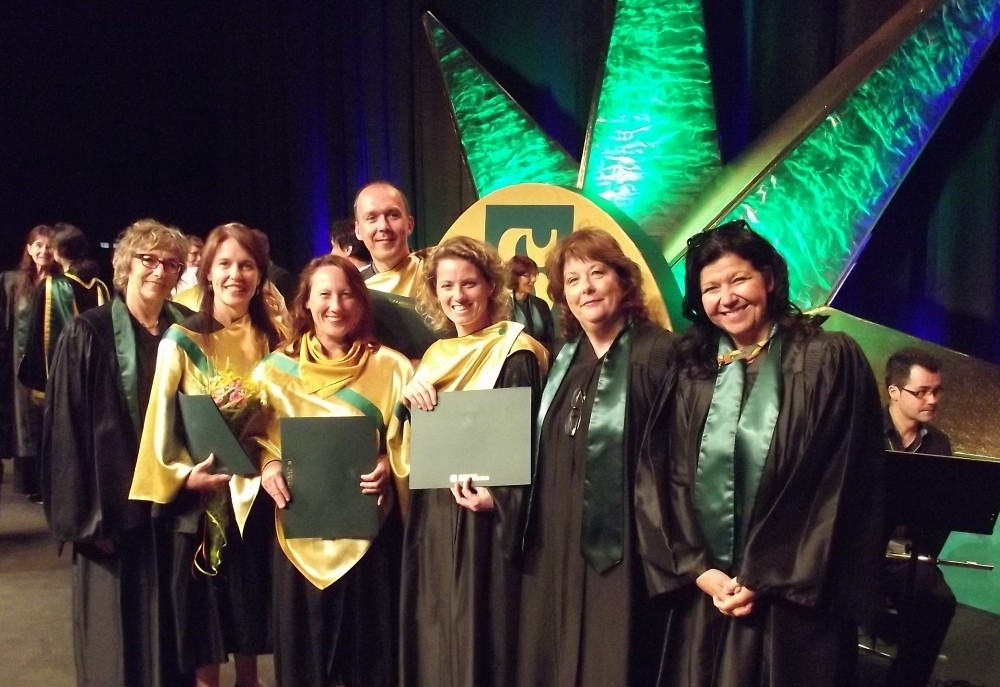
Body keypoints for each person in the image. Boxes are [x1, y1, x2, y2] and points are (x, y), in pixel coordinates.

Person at [643, 220, 884, 686]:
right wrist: (696, 567)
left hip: (793, 600)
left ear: (769, 279)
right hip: (707, 596)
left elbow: (840, 481)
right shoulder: (692, 370)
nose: (726, 298)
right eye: (710, 287)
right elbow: (664, 475)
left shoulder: (827, 358)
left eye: (738, 279)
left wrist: (765, 572)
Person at [516, 227, 674, 686]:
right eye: (572, 280)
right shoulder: (565, 358)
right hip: (558, 540)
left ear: (623, 281)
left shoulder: (660, 353)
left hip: (626, 543)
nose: (585, 288)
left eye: (597, 273)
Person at [129, 222, 283, 687]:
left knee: (251, 619)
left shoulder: (274, 338)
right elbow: (159, 421)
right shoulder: (181, 340)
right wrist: (181, 477)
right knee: (205, 625)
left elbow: (284, 414)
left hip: (257, 498)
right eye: (226, 265)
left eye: (247, 265)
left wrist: (273, 457)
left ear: (260, 275)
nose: (236, 274)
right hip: (200, 503)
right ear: (206, 272)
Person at [40, 219, 192, 686]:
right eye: (149, 259)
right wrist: (87, 520)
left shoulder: (185, 330)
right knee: (116, 643)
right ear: (125, 263)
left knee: (176, 636)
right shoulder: (89, 333)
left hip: (174, 513)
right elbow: (65, 431)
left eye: (172, 263)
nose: (160, 270)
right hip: (113, 517)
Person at [396, 236, 548, 687]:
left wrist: (499, 500)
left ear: (490, 287)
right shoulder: (436, 355)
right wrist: (408, 403)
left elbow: (528, 444)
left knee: (485, 632)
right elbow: (411, 439)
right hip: (436, 514)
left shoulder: (516, 351)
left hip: (486, 516)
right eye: (447, 286)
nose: (458, 296)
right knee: (438, 627)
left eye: (469, 284)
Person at [256, 254, 412, 687]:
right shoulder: (275, 371)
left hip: (370, 535)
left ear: (361, 304)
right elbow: (257, 438)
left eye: (346, 295)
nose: (336, 305)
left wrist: (388, 462)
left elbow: (409, 440)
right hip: (299, 534)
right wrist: (268, 464)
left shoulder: (392, 368)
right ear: (306, 303)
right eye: (324, 294)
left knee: (370, 659)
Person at [881, 347, 957, 687]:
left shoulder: (940, 443)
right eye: (922, 391)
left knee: (938, 600)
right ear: (894, 392)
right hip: (856, 548)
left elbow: (940, 514)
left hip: (906, 556)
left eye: (936, 390)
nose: (932, 399)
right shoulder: (864, 430)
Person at [18, 223, 110, 394]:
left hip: (63, 379)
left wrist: (34, 379)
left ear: (58, 252)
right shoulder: (100, 286)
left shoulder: (51, 286)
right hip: (95, 377)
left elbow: (35, 337)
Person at [0, 225, 57, 502]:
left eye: (49, 246)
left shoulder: (61, 283)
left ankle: (50, 483)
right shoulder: (13, 282)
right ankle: (31, 483)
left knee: (49, 420)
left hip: (50, 364)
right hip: (19, 363)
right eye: (38, 245)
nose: (43, 251)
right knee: (25, 422)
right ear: (29, 247)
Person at [353, 181, 423, 296]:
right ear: (358, 230)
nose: (383, 226)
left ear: (409, 224)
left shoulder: (435, 273)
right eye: (371, 218)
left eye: (393, 215)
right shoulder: (356, 288)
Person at [505, 254, 555, 353]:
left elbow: (550, 339)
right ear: (514, 276)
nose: (533, 280)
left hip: (541, 360)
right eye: (528, 275)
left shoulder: (541, 305)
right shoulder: (502, 306)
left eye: (535, 275)